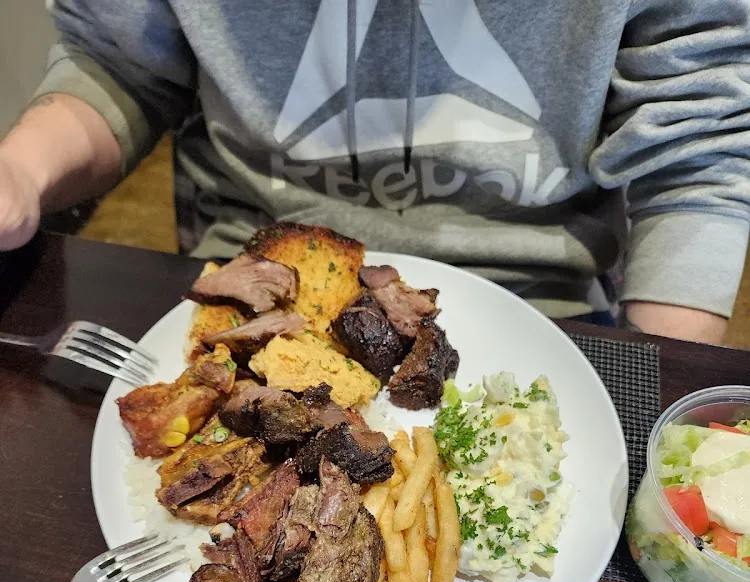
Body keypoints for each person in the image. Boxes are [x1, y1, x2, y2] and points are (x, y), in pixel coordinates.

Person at [1, 0, 748, 345]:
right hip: (247, 281)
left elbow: (700, 150)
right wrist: (21, 174)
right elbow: (121, 63)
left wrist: (657, 378)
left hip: (547, 303)